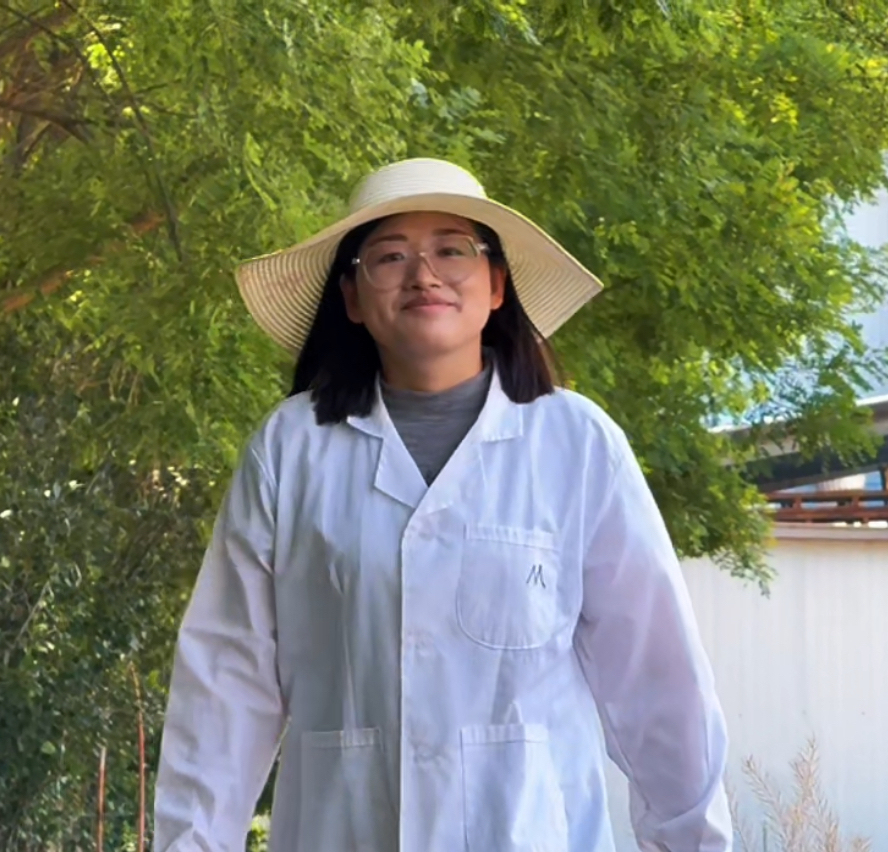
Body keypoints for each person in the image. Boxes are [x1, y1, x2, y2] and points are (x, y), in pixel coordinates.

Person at [153, 158, 732, 852]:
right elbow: (226, 681)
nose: (424, 275)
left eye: (453, 250)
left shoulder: (576, 444)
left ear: (496, 285)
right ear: (352, 297)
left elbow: (656, 680)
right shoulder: (290, 449)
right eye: (390, 256)